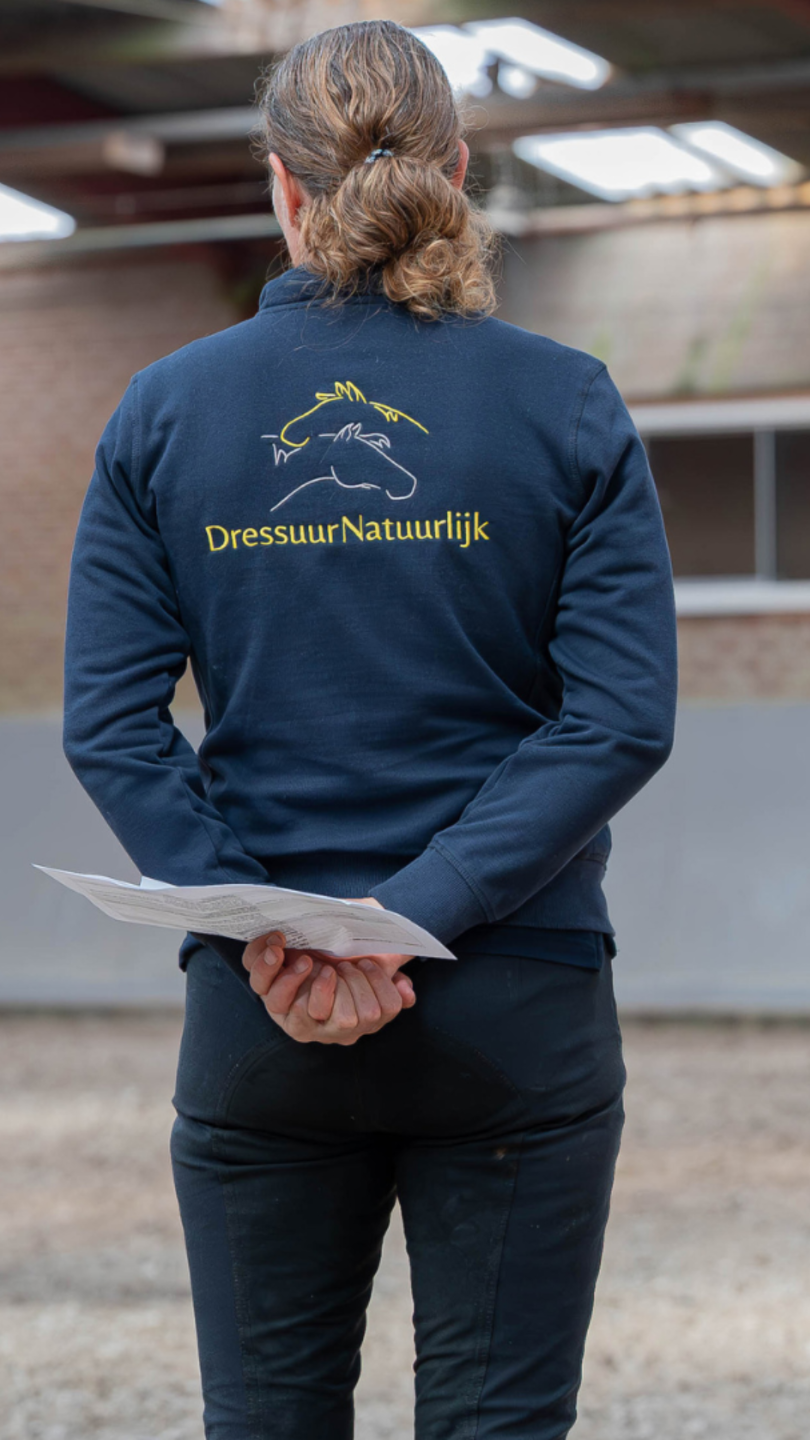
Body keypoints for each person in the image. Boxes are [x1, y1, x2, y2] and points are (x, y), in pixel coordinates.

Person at [62, 18, 678, 1440]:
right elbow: (618, 719)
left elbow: (110, 725)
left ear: (281, 189)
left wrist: (274, 935)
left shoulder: (165, 412)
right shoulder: (564, 401)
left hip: (262, 1016)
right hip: (510, 1003)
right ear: (455, 173)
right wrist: (413, 918)